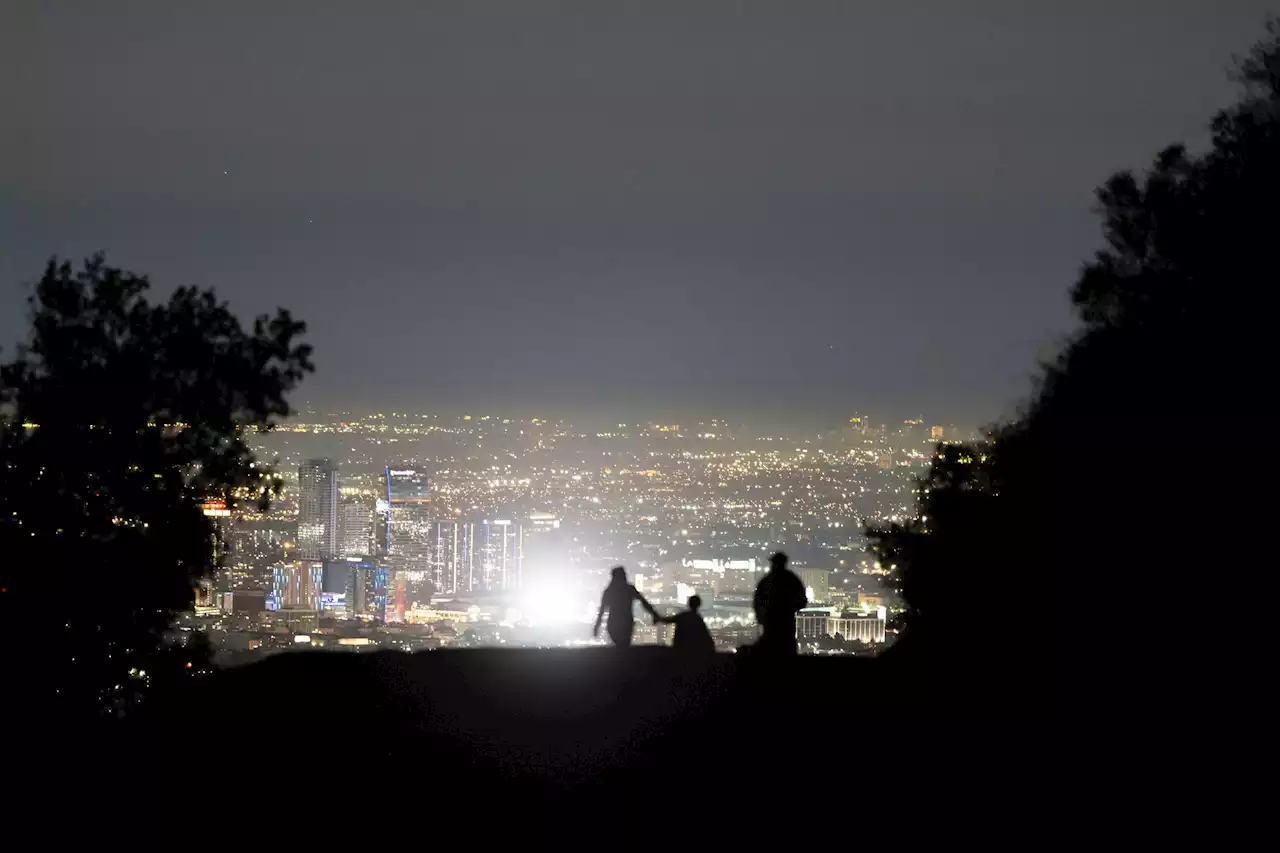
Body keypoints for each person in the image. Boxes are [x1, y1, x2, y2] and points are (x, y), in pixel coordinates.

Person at [752, 551, 807, 655]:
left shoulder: (767, 580)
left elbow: (757, 601)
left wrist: (761, 617)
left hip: (774, 620)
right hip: (783, 620)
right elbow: (802, 599)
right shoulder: (792, 580)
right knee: (785, 647)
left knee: (773, 648)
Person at [594, 566, 658, 647]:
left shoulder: (609, 591)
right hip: (626, 624)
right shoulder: (629, 589)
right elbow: (643, 602)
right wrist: (654, 614)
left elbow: (602, 611)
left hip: (614, 624)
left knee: (621, 647)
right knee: (624, 646)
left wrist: (597, 626)